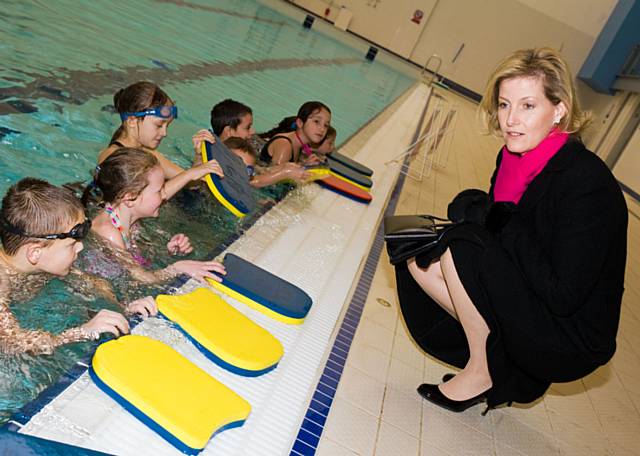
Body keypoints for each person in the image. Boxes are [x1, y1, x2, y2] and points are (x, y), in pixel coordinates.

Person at [395, 47, 628, 413]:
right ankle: (501, 356)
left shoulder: (586, 183)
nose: (510, 120)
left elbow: (563, 293)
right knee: (419, 259)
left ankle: (483, 371)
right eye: (504, 105)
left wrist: (492, 217)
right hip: (533, 293)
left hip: (570, 333)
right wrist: (482, 211)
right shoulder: (512, 157)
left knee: (461, 247)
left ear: (560, 109)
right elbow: (499, 227)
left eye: (528, 106)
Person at [0, 178, 140, 355]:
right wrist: (82, 332)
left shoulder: (45, 264)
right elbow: (14, 343)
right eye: (72, 244)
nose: (81, 247)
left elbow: (92, 283)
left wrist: (123, 306)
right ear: (35, 252)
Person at [85, 148, 226, 284]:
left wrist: (168, 250)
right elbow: (143, 278)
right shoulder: (110, 233)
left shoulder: (127, 215)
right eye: (159, 191)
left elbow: (138, 257)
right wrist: (177, 268)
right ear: (130, 197)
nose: (164, 195)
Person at [98, 81, 216, 194]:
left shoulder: (149, 155)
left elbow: (193, 184)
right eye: (159, 125)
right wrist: (188, 175)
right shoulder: (112, 157)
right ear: (132, 121)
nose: (165, 133)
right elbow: (138, 203)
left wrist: (199, 155)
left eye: (167, 125)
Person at [210, 99, 309, 185]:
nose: (252, 132)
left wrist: (283, 167)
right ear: (229, 132)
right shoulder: (217, 156)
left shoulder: (234, 152)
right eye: (247, 127)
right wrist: (284, 173)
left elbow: (255, 171)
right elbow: (243, 183)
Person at [259, 101, 331, 165]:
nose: (322, 129)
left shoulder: (299, 145)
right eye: (316, 121)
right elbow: (274, 176)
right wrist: (303, 167)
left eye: (326, 125)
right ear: (300, 123)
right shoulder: (284, 144)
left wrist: (305, 165)